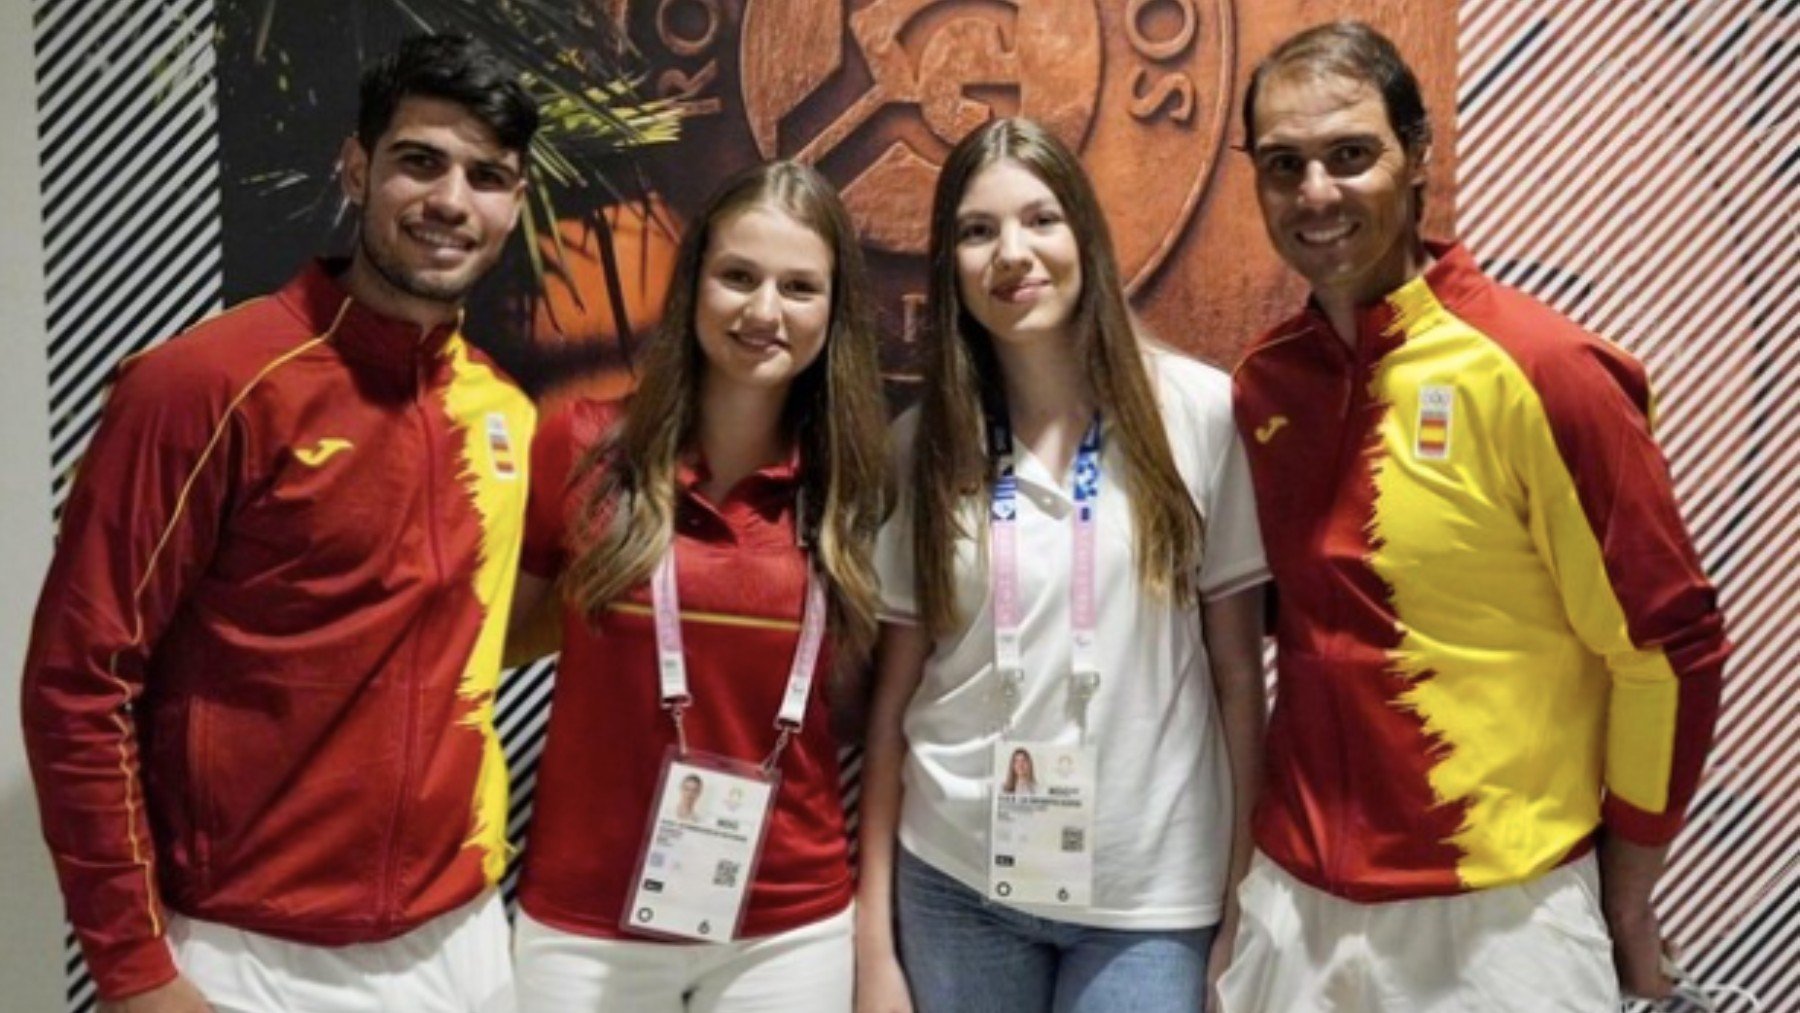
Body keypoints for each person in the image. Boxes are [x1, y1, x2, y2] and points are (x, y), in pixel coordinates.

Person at [20, 33, 538, 1013]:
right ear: (357, 166)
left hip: (463, 940)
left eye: (487, 176)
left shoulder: (502, 410)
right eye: (419, 161)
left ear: (512, 205)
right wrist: (133, 970)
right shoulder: (203, 385)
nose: (450, 201)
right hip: (248, 954)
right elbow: (78, 683)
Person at [1222, 21, 1730, 1012]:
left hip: (1501, 920)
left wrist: (1627, 898)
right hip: (1292, 906)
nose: (1316, 193)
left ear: (1418, 155)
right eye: (1284, 165)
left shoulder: (1545, 371)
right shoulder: (1261, 384)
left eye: (1351, 155)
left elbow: (1669, 646)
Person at [856, 117, 1270, 1013]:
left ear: (1084, 233)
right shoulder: (919, 445)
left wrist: (1243, 905)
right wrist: (871, 944)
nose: (1013, 253)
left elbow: (1241, 677)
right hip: (957, 878)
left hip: (1151, 895)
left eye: (1041, 219)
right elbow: (893, 703)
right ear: (950, 264)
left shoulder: (1197, 415)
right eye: (977, 230)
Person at [506, 160, 887, 1012]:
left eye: (799, 287)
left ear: (834, 310)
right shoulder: (583, 446)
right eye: (738, 277)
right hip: (587, 921)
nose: (764, 312)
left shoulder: (860, 487)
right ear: (694, 288)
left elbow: (873, 705)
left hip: (788, 926)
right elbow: (496, 641)